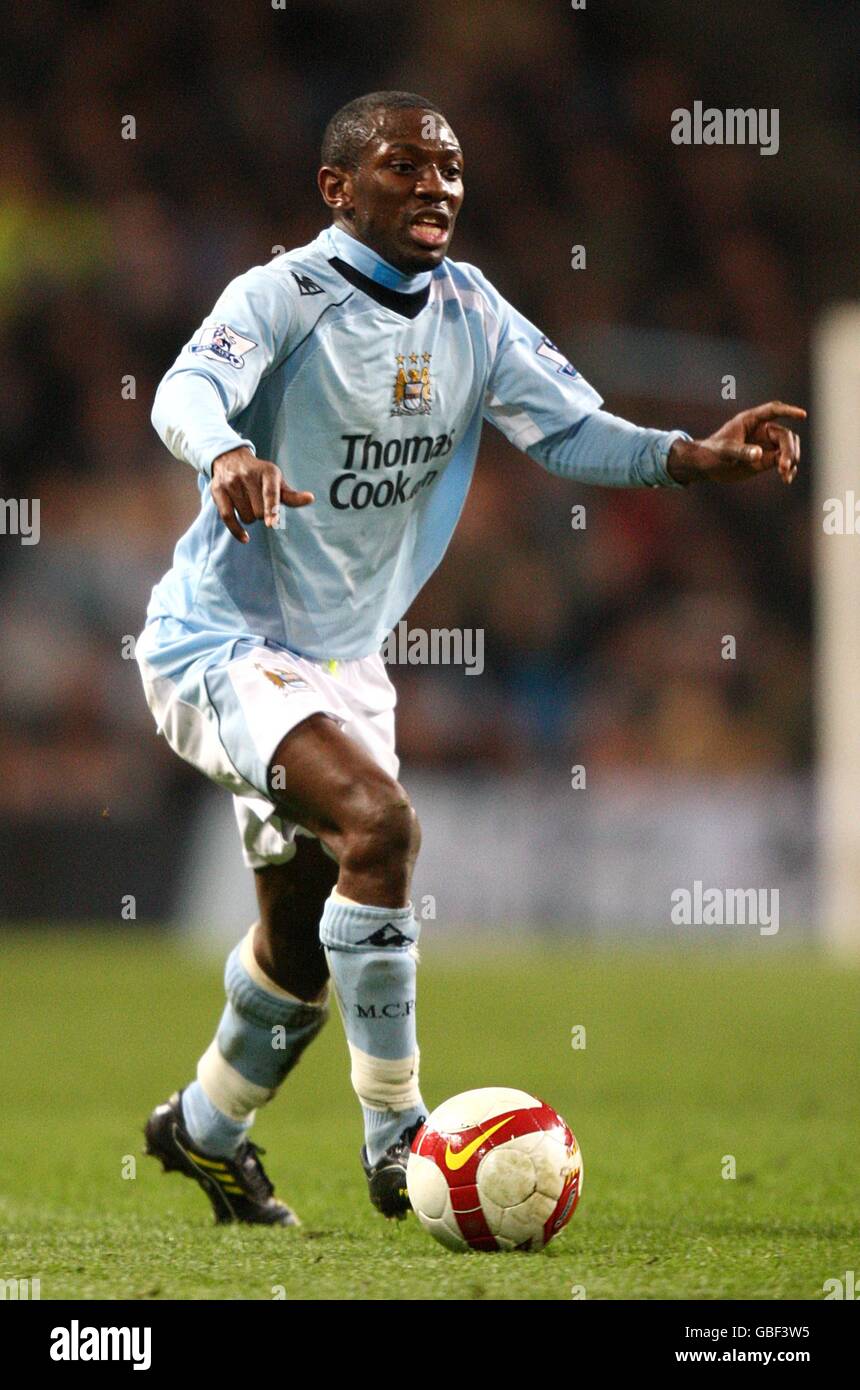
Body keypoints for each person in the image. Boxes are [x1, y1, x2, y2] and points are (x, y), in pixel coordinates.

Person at [137, 90, 804, 1226]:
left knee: (299, 943)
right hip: (223, 639)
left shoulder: (471, 311)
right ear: (337, 189)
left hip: (343, 665)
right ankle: (399, 1134)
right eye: (404, 166)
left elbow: (570, 427)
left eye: (448, 167)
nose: (436, 186)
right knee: (383, 827)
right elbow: (183, 388)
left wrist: (693, 457)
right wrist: (229, 451)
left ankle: (199, 1130)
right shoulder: (282, 295)